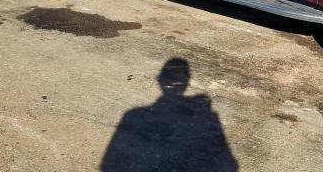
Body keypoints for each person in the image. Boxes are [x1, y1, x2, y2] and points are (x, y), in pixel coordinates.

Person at [100, 58, 238, 171]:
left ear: (159, 79)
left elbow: (108, 164)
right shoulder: (133, 115)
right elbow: (230, 165)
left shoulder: (133, 115)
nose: (176, 83)